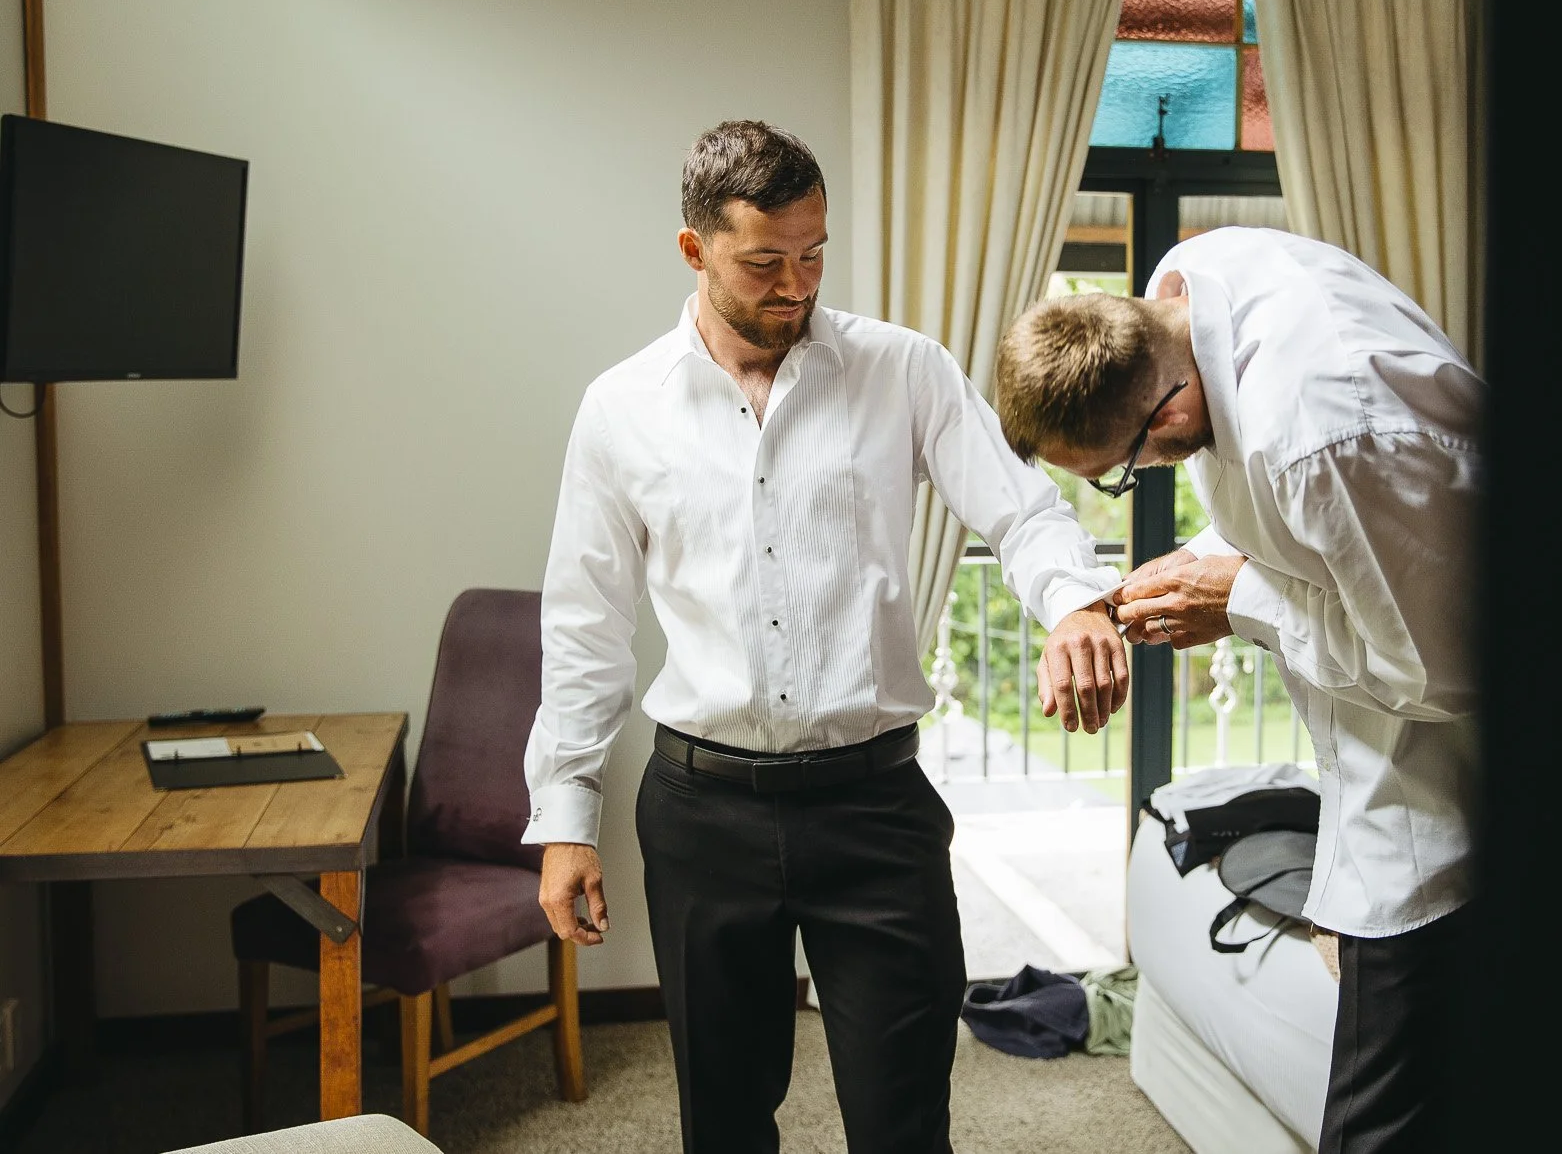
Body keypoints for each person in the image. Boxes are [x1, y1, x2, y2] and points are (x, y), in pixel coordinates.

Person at [523, 121, 1128, 1154]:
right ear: (694, 248)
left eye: (813, 254)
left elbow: (1021, 510)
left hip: (874, 809)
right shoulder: (620, 409)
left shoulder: (903, 369)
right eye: (764, 262)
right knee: (723, 1124)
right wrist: (565, 815)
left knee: (904, 1125)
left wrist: (1074, 601)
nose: (795, 284)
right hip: (703, 814)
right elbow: (586, 625)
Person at [993, 225, 1480, 1154]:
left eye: (1120, 473)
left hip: (1442, 799)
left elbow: (1441, 669)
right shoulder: (1190, 279)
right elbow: (1308, 528)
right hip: (1374, 766)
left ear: (1169, 412)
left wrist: (1239, 602)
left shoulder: (1322, 437)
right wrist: (1203, 561)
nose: (1133, 482)